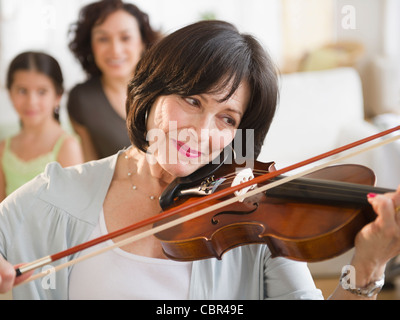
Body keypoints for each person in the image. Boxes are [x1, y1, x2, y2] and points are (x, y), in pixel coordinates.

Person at [1, 21, 400, 300]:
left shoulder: (252, 218)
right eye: (191, 100)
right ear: (151, 93)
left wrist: (367, 268)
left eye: (227, 118)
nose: (202, 132)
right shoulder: (59, 194)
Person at [67, 0, 161, 161]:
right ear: (90, 45)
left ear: (143, 42)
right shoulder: (82, 99)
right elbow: (90, 168)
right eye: (103, 39)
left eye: (125, 38)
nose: (115, 50)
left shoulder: (167, 88)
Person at [0, 51, 84, 202]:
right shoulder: (4, 148)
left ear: (58, 96)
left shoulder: (67, 146)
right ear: (10, 93)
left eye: (42, 92)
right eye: (22, 91)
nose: (31, 101)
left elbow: (74, 209)